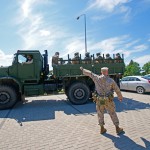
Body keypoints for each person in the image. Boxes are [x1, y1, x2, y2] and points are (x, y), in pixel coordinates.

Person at [80, 66, 124, 135]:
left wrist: (83, 70)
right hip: (108, 100)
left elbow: (90, 73)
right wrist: (120, 97)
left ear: (101, 72)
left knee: (100, 113)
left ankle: (102, 128)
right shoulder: (111, 80)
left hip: (99, 100)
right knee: (112, 113)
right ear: (107, 72)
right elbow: (117, 89)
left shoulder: (96, 78)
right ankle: (117, 128)